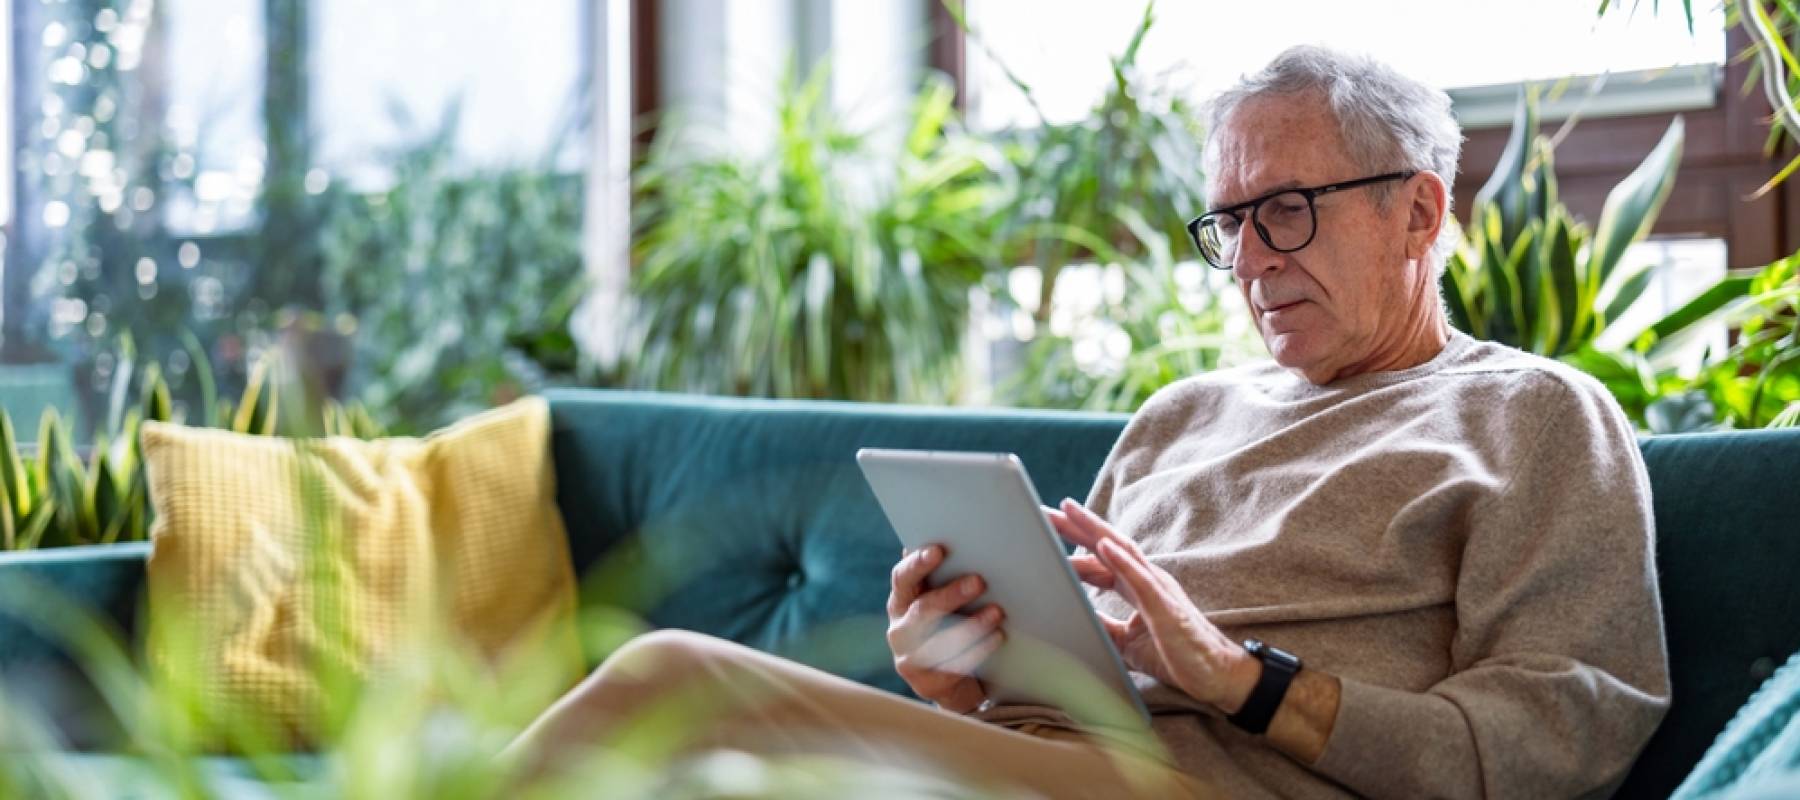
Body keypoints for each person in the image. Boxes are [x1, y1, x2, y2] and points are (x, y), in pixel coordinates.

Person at [505, 45, 1670, 799]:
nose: (1252, 260)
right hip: (1053, 772)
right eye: (1228, 224)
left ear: (1420, 211)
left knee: (667, 681)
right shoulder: (1183, 415)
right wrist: (956, 673)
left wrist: (1243, 680)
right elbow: (1068, 686)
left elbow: (1559, 740)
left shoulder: (1534, 416)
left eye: (1289, 212)